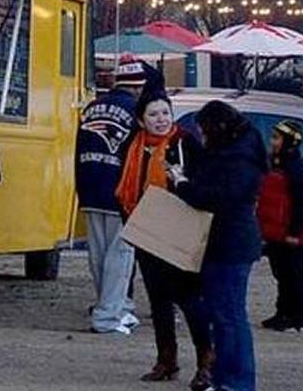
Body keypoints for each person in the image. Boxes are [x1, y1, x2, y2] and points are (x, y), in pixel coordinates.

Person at [115, 92, 213, 390]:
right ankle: (166, 359)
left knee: (188, 298)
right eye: (154, 115)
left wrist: (182, 179)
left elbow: (203, 184)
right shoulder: (133, 146)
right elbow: (123, 186)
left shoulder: (185, 143)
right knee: (158, 299)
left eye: (165, 113)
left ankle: (206, 362)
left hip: (178, 230)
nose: (161, 120)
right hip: (147, 229)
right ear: (141, 120)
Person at [170, 100, 266, 391]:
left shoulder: (237, 159)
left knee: (229, 316)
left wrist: (183, 185)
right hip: (227, 241)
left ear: (217, 128)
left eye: (204, 130)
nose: (202, 136)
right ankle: (227, 378)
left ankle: (237, 381)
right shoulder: (241, 152)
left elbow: (217, 197)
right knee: (224, 315)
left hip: (229, 243)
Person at [75, 53, 145, 334]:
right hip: (121, 191)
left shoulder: (91, 108)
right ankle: (109, 315)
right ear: (138, 87)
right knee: (121, 255)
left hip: (89, 185)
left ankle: (117, 305)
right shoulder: (136, 113)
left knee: (99, 254)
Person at [259, 120, 303, 332]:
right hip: (275, 231)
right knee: (281, 274)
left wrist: (295, 232)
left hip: (289, 233)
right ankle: (283, 312)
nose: (272, 142)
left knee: (294, 275)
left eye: (276, 138)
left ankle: (300, 317)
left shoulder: (297, 171)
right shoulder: (275, 164)